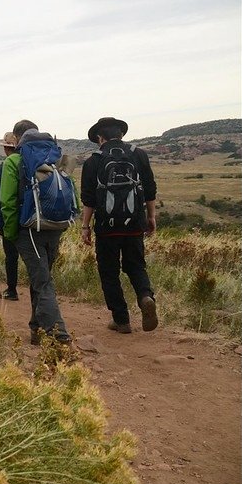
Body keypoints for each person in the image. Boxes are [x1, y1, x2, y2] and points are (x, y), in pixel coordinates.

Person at [80, 117, 158, 333]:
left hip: (107, 227)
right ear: (121, 134)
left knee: (109, 271)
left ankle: (121, 320)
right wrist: (150, 217)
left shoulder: (93, 161)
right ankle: (145, 297)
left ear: (99, 137)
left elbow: (88, 200)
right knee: (136, 265)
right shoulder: (138, 154)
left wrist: (85, 227)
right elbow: (150, 190)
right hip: (134, 223)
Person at [0, 120, 72, 345]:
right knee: (40, 277)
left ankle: (57, 333)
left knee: (42, 281)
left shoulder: (13, 161)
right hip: (56, 225)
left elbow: (7, 202)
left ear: (17, 138)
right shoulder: (55, 157)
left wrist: (11, 233)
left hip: (28, 228)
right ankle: (36, 329)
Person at [0, 132, 20, 301]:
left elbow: (1, 197)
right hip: (32, 218)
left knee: (11, 256)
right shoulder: (29, 162)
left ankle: (12, 289)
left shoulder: (5, 166)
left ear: (5, 148)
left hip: (11, 218)